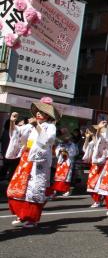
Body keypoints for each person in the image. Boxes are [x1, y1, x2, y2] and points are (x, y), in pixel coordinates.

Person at [6, 97, 59, 228]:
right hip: (26, 158)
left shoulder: (50, 126)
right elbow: (17, 134)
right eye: (38, 111)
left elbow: (48, 140)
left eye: (42, 111)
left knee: (35, 188)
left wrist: (37, 126)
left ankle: (32, 218)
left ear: (48, 115)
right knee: (19, 187)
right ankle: (21, 214)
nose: (39, 113)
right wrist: (13, 123)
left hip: (39, 160)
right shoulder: (30, 125)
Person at [83, 122, 108, 208]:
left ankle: (98, 200)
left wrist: (95, 134)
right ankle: (98, 200)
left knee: (98, 183)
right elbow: (85, 149)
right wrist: (87, 138)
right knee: (91, 183)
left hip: (102, 164)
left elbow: (99, 145)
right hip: (94, 165)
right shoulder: (93, 141)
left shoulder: (103, 138)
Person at [48, 128, 79, 197]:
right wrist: (60, 151)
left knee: (67, 177)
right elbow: (57, 151)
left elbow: (73, 153)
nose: (65, 139)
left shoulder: (72, 144)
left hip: (68, 161)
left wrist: (67, 152)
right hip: (61, 161)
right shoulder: (60, 144)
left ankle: (66, 190)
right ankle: (56, 190)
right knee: (58, 176)